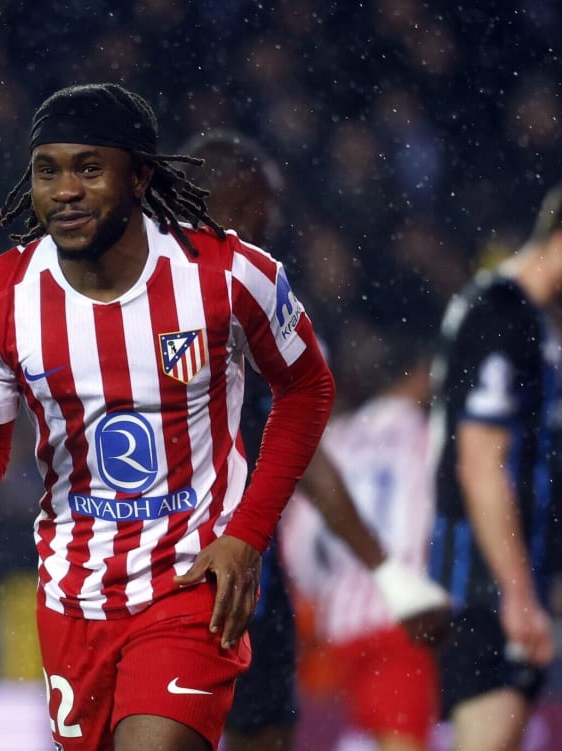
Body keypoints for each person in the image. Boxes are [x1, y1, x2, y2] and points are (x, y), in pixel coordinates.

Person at [0, 82, 336, 751]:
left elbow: (307, 388)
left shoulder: (229, 273)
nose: (65, 189)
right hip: (73, 596)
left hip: (188, 583)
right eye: (47, 170)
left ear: (140, 175)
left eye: (89, 168)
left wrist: (245, 534)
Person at [181, 129, 448, 751]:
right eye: (262, 205)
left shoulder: (259, 299)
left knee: (262, 731)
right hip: (181, 566)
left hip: (243, 572)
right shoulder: (176, 298)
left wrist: (388, 574)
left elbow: (300, 447)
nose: (272, 221)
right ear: (234, 201)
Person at [429, 169, 562, 750]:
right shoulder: (501, 316)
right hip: (481, 589)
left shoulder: (527, 321)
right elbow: (479, 462)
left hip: (496, 583)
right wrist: (517, 590)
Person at [280, 341, 440, 751]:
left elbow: (298, 551)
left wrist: (329, 593)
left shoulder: (332, 442)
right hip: (405, 613)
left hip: (343, 625)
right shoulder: (424, 434)